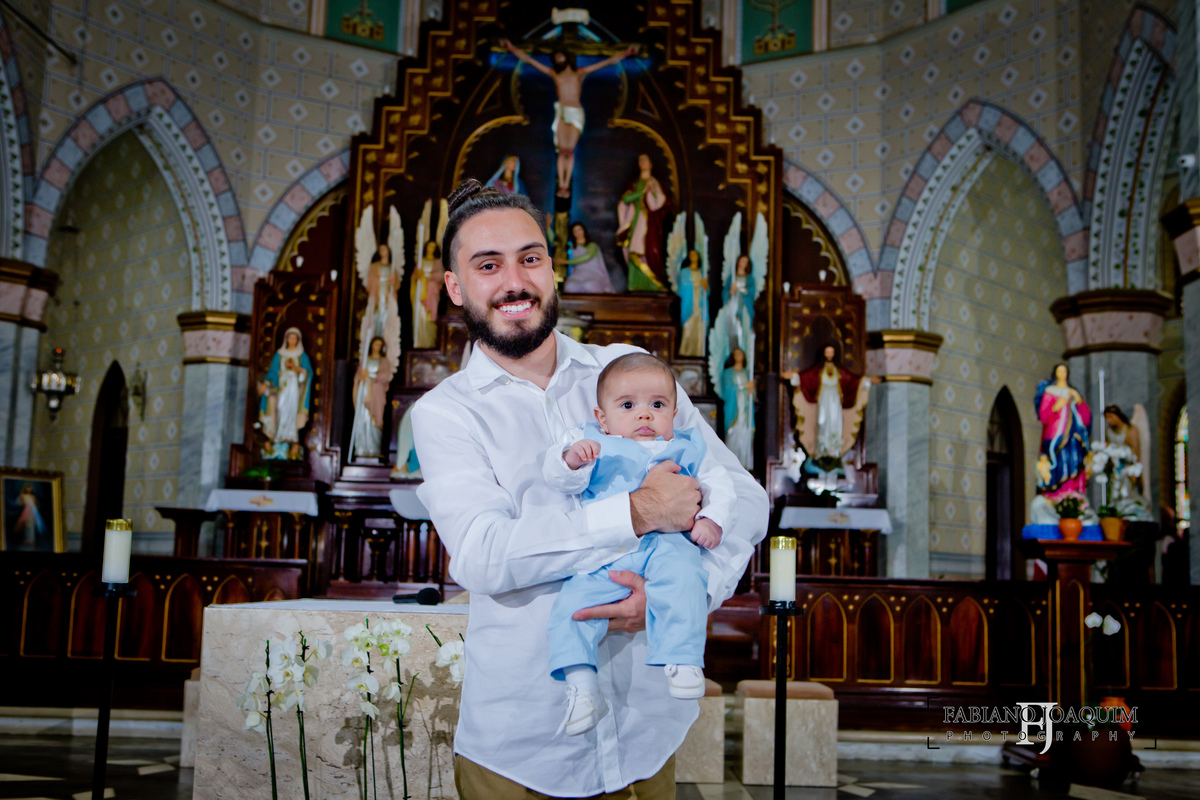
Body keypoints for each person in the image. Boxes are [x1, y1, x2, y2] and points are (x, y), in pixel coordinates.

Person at [412, 179, 767, 798]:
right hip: (522, 747)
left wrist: (680, 595)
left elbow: (743, 496)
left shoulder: (628, 371)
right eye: (488, 265)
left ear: (552, 268)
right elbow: (483, 555)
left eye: (530, 258)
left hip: (645, 733)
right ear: (455, 286)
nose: (515, 282)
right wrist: (637, 512)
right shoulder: (446, 412)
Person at [541, 353, 734, 736]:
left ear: (674, 413)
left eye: (657, 405)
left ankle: (684, 659)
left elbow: (722, 486)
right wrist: (571, 461)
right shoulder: (592, 442)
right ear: (603, 418)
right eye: (628, 406)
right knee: (572, 605)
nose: (644, 414)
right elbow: (559, 480)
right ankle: (581, 684)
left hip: (670, 542)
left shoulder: (688, 446)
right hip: (607, 551)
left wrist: (713, 519)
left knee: (685, 579)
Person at [501, 40, 638, 196]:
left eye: (560, 56)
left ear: (566, 57)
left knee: (569, 152)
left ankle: (567, 184)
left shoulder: (579, 73)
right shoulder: (554, 73)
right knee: (562, 152)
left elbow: (606, 62)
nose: (559, 59)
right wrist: (512, 48)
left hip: (575, 112)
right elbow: (529, 60)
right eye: (556, 58)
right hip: (562, 111)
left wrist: (626, 53)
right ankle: (562, 185)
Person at [783, 343, 870, 464]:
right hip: (823, 400)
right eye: (827, 352)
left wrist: (865, 381)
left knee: (835, 423)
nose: (829, 354)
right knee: (822, 423)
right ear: (823, 354)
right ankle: (821, 450)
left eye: (831, 352)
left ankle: (834, 451)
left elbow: (852, 380)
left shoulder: (839, 371)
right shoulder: (819, 370)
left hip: (835, 401)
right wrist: (794, 376)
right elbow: (807, 377)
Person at [1034, 363, 1091, 501]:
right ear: (1055, 373)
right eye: (1059, 371)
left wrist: (1079, 401)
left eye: (1064, 371)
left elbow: (1086, 418)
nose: (1062, 374)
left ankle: (1073, 493)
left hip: (1073, 435)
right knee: (1057, 462)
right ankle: (1056, 495)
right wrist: (1057, 405)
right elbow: (1043, 416)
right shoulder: (1050, 392)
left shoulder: (1073, 392)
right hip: (1056, 436)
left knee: (1074, 461)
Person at [617, 153, 670, 290]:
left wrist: (652, 190)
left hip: (650, 222)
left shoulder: (655, 183)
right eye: (640, 160)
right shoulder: (634, 184)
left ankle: (653, 282)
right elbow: (625, 199)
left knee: (651, 249)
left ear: (651, 164)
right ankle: (635, 283)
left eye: (645, 160)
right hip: (635, 220)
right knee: (633, 248)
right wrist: (641, 192)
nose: (643, 162)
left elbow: (659, 204)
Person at [259, 327, 313, 459]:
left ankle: (291, 436)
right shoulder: (280, 355)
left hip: (294, 387)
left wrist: (298, 370)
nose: (292, 340)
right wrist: (266, 383)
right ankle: (278, 435)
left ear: (298, 340)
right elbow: (272, 373)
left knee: (291, 410)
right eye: (290, 338)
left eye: (294, 338)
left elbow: (308, 373)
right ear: (286, 339)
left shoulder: (302, 355)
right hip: (281, 387)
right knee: (280, 408)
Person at [348, 336, 396, 460]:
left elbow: (386, 376)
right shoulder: (365, 360)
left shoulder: (384, 361)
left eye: (380, 345)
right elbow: (358, 376)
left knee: (376, 418)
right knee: (362, 417)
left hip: (376, 392)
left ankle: (374, 448)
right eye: (375, 344)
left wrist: (370, 376)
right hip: (364, 392)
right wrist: (361, 377)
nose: (377, 347)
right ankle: (361, 448)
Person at [719, 348, 755, 470]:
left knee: (745, 433)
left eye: (740, 354)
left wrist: (751, 390)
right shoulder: (728, 373)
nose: (739, 356)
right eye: (736, 354)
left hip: (745, 409)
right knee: (733, 433)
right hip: (734, 407)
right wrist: (743, 386)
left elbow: (752, 395)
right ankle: (731, 465)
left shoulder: (747, 373)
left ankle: (744, 464)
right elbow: (727, 390)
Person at [561, 221, 614, 293]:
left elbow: (588, 256)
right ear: (573, 233)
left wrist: (565, 262)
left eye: (579, 230)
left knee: (590, 286)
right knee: (570, 286)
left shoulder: (592, 245)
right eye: (575, 231)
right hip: (578, 274)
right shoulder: (571, 247)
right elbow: (556, 242)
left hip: (594, 273)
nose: (578, 233)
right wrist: (548, 228)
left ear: (584, 230)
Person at [412, 240, 444, 348]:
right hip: (420, 292)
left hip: (432, 292)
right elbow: (414, 277)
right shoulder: (421, 262)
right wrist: (417, 276)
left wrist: (427, 277)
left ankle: (430, 342)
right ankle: (419, 342)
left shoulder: (438, 262)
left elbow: (441, 276)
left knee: (430, 316)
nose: (431, 249)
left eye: (433, 247)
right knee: (420, 315)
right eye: (429, 246)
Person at [677, 249, 708, 357]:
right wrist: (698, 283)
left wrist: (705, 286)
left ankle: (698, 352)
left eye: (695, 255)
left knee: (699, 328)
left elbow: (707, 292)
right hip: (690, 303)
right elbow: (682, 287)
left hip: (700, 304)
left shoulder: (702, 273)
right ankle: (685, 352)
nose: (693, 256)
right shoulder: (685, 272)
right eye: (691, 254)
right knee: (688, 327)